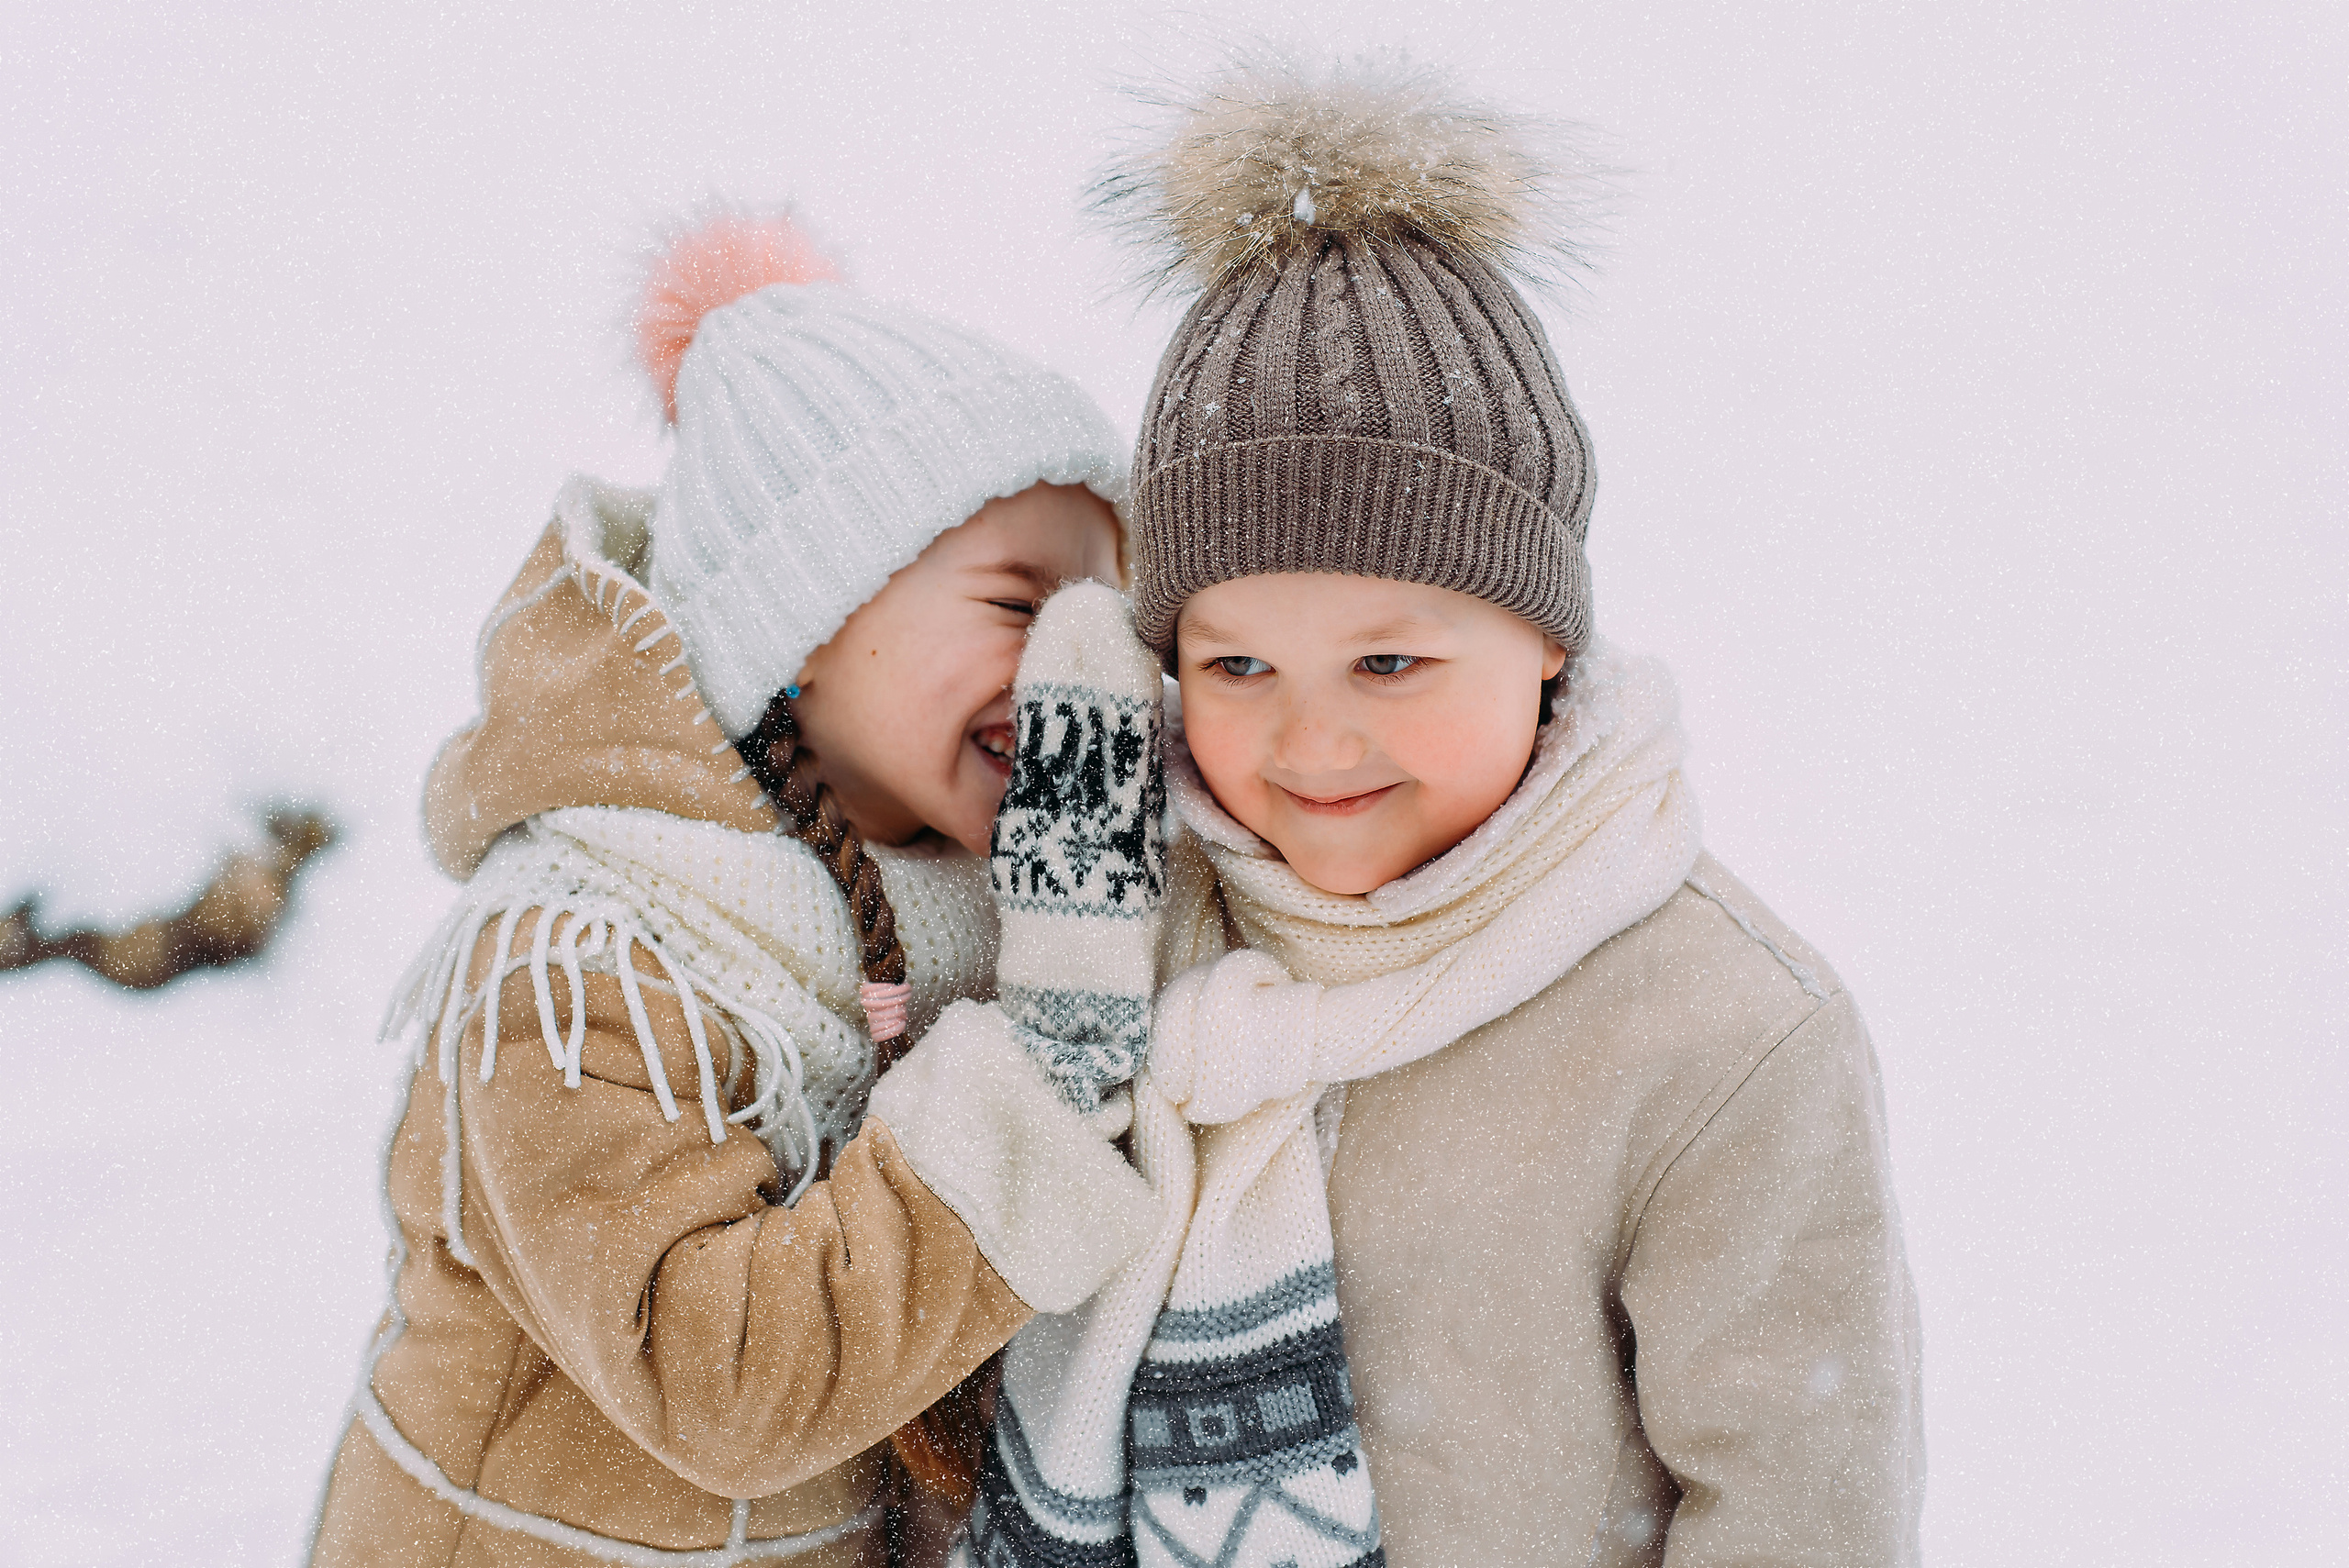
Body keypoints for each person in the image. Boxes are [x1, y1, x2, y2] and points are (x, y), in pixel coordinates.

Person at [960, 60, 1926, 1568]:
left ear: (1545, 637)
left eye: (1391, 659)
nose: (1311, 736)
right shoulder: (1118, 925)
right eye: (1237, 663)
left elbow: (1804, 1509)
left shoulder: (1719, 1035)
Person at [309, 208, 1163, 1567]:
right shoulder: (581, 967)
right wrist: (1044, 1081)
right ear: (806, 622)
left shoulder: (983, 914)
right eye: (1021, 602)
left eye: (1104, 616)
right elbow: (724, 1382)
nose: (1076, 661)